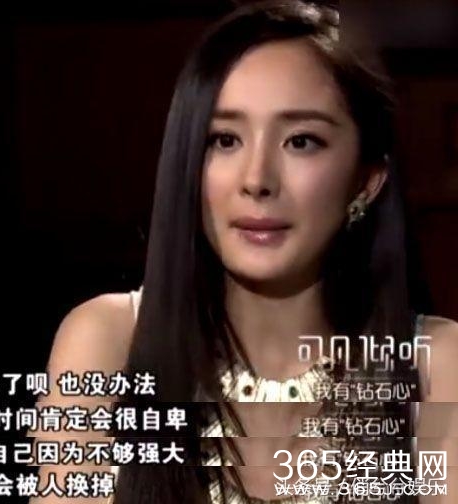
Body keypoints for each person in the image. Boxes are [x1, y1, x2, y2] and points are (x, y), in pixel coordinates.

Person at [30, 1, 458, 502]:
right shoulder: (108, 342)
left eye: (301, 141)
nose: (256, 180)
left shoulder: (435, 365)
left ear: (366, 180)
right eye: (225, 139)